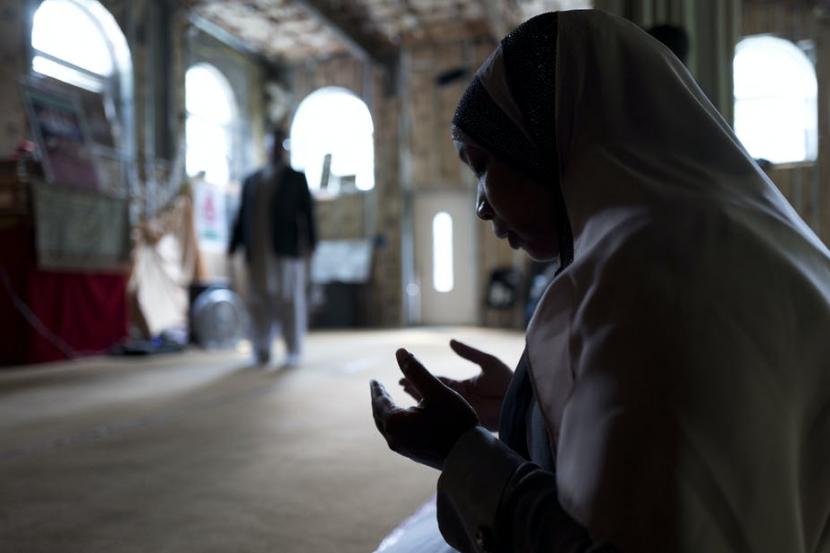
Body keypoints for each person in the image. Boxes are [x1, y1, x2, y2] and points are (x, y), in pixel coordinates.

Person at [371, 10, 830, 553]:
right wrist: (527, 406)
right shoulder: (735, 234)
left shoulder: (653, 282)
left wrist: (461, 450)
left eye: (483, 164)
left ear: (548, 143)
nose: (480, 207)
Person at [228, 128, 317, 367]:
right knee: (258, 301)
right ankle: (261, 348)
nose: (275, 149)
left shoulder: (296, 178)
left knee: (289, 300)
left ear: (284, 149)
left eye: (279, 145)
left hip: (286, 251)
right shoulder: (252, 181)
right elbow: (241, 217)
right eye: (271, 145)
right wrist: (233, 245)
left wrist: (311, 242)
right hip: (257, 252)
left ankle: (293, 350)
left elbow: (307, 214)